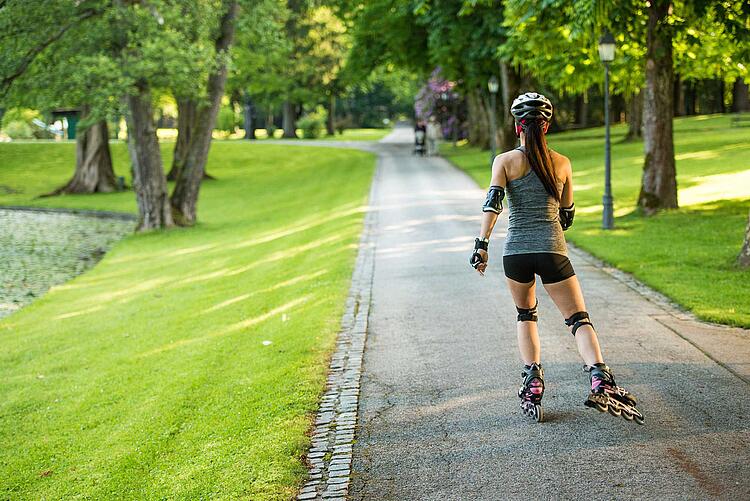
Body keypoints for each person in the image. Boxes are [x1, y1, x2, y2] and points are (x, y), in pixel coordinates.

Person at [468, 92, 643, 425]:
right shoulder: (562, 163)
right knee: (578, 319)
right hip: (552, 251)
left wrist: (481, 244)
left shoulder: (504, 161)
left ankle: (533, 383)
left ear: (518, 125)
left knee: (526, 315)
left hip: (516, 254)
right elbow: (567, 213)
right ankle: (599, 377)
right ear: (546, 126)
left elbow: (493, 204)